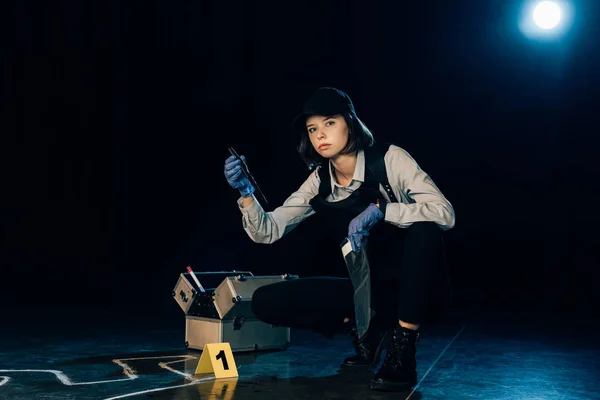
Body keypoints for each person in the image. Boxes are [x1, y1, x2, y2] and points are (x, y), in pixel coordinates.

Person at [223, 87, 455, 392]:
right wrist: (246, 193)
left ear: (350, 122)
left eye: (329, 123)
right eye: (312, 129)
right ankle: (366, 331)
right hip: (369, 292)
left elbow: (445, 214)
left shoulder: (389, 159)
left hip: (417, 291)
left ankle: (403, 347)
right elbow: (268, 231)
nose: (320, 135)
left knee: (426, 227)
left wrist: (383, 211)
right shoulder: (320, 179)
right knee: (266, 302)